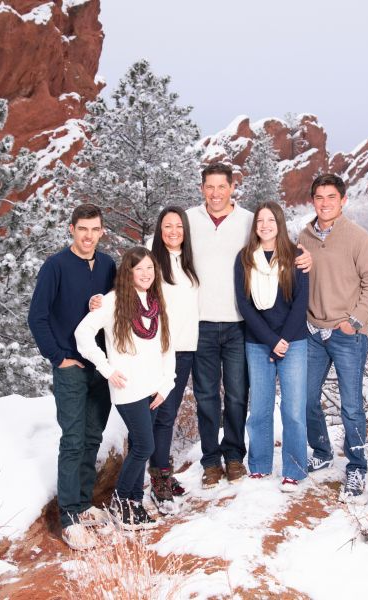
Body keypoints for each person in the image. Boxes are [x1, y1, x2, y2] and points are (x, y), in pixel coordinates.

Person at [27, 203, 116, 550]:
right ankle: (69, 518)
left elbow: (120, 304)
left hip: (102, 365)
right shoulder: (55, 266)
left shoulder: (108, 265)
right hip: (71, 367)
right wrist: (59, 357)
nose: (89, 236)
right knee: (73, 438)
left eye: (95, 230)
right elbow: (38, 317)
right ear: (71, 229)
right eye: (83, 229)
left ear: (102, 231)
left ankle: (85, 504)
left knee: (93, 436)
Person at [299, 174, 368, 503]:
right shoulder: (303, 237)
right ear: (313, 201)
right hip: (312, 333)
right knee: (306, 399)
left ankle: (357, 466)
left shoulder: (357, 237)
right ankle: (321, 451)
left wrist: (355, 321)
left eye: (331, 197)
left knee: (351, 406)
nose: (325, 203)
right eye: (319, 197)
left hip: (347, 334)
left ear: (343, 200)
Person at [75, 247, 176, 530]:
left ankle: (133, 501)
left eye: (149, 269)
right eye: (139, 269)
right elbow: (82, 335)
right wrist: (107, 369)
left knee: (138, 443)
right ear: (128, 273)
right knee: (145, 445)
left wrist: (166, 384)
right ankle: (120, 502)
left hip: (153, 387)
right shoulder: (113, 302)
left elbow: (166, 346)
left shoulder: (156, 301)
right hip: (128, 387)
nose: (145, 274)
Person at [185, 162, 254, 487]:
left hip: (238, 324)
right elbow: (158, 257)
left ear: (231, 188)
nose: (215, 193)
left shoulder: (248, 221)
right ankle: (211, 460)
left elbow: (274, 250)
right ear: (202, 189)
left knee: (238, 395)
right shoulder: (188, 219)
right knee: (207, 396)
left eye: (221, 187)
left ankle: (235, 456)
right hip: (201, 324)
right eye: (209, 187)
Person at [234, 201, 309, 492]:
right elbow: (244, 304)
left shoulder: (297, 256)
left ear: (279, 223)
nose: (265, 226)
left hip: (294, 342)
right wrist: (270, 340)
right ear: (255, 227)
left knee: (292, 409)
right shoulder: (244, 259)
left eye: (271, 220)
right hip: (258, 342)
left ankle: (295, 468)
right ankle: (260, 465)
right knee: (261, 409)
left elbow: (301, 302)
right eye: (260, 221)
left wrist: (284, 340)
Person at [148, 207, 199, 512]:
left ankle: (163, 471)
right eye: (167, 226)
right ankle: (157, 477)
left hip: (186, 348)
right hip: (160, 350)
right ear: (160, 230)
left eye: (178, 226)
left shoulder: (190, 263)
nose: (173, 231)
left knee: (169, 413)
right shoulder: (152, 262)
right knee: (159, 413)